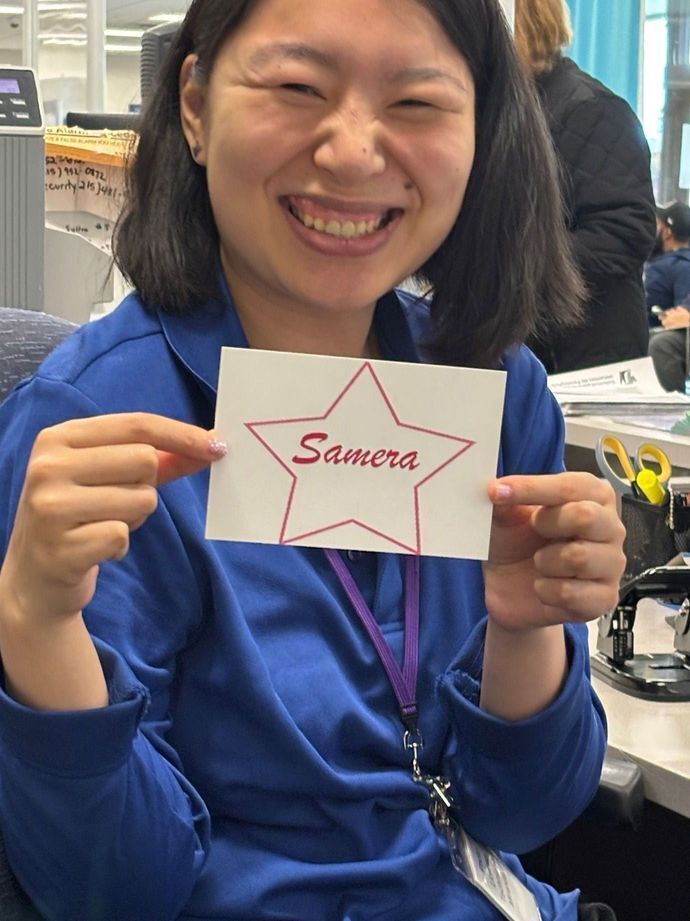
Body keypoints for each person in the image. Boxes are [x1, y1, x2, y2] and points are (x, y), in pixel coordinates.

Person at [0, 2, 626, 920]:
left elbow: (521, 813)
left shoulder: (496, 395)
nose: (352, 152)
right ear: (196, 106)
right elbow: (116, 893)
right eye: (298, 87)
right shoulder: (92, 433)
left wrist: (528, 632)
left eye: (416, 102)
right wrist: (33, 628)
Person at [515, 0, 657, 374]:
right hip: (532, 346)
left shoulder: (595, 109)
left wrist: (510, 263)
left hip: (585, 358)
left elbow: (624, 233)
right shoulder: (513, 111)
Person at [645, 201, 690, 322]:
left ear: (667, 232)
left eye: (659, 224)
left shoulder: (683, 267)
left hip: (653, 336)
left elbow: (681, 323)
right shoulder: (657, 260)